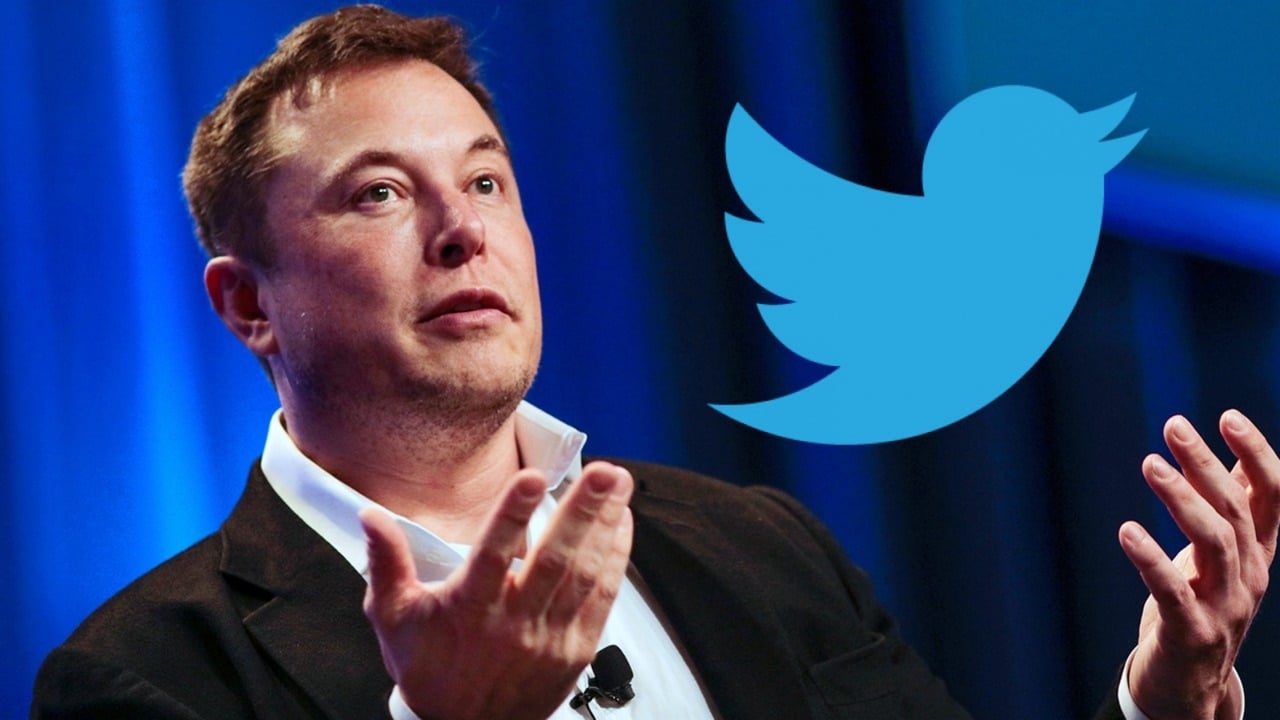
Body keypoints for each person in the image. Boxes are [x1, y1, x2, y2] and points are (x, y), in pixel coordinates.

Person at [31, 6, 1278, 719]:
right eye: (379, 194)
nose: (461, 229)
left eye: (484, 181)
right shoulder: (143, 677)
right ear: (249, 305)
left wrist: (1157, 702)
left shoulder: (755, 547)